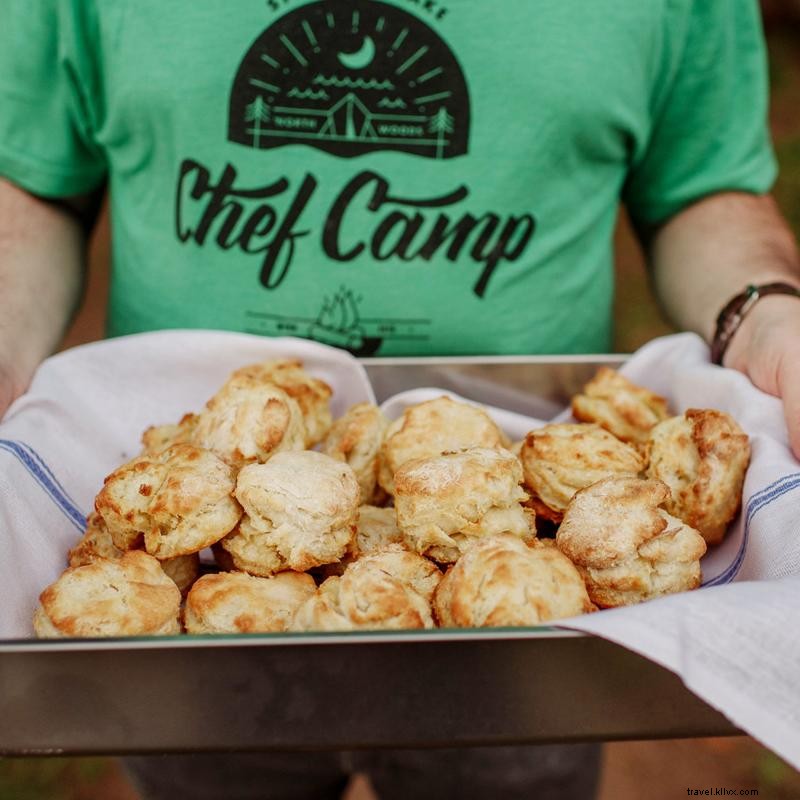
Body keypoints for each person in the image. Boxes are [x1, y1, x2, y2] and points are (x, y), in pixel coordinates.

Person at [1, 1, 799, 798]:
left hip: (520, 644)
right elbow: (32, 178)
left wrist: (766, 311)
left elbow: (703, 185)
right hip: (198, 657)